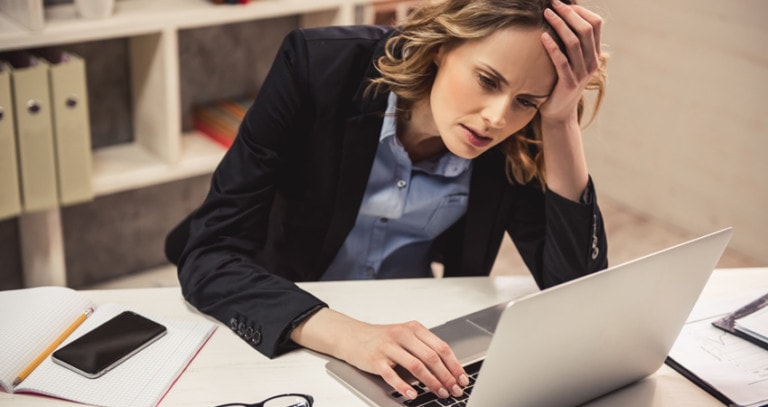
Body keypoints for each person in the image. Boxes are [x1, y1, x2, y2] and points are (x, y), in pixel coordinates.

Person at [165, 0, 609, 401]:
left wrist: (560, 121)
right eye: (487, 80)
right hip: (289, 314)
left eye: (526, 101)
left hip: (413, 325)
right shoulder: (316, 64)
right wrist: (351, 336)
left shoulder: (518, 133)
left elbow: (578, 294)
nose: (497, 118)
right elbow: (209, 254)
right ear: (443, 46)